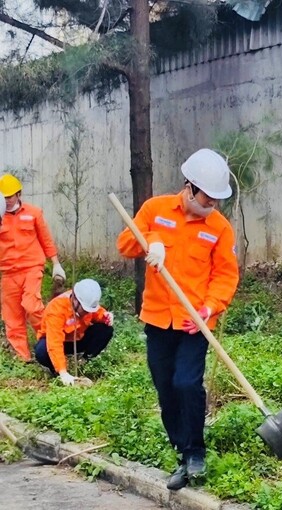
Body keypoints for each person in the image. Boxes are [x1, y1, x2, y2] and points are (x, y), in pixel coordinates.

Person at [116, 148, 239, 490]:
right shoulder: (155, 209)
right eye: (207, 198)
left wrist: (210, 307)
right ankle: (181, 451)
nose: (212, 205)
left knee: (187, 384)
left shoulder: (219, 228)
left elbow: (226, 276)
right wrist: (150, 241)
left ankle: (195, 451)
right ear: (189, 187)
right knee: (165, 387)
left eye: (217, 200)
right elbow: (125, 243)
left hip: (194, 322)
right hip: (157, 319)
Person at [0, 173, 65, 362]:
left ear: (19, 194)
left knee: (31, 305)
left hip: (32, 268)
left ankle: (47, 341)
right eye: (3, 198)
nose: (7, 201)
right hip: (8, 272)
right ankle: (24, 358)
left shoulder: (34, 213)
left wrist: (56, 264)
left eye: (10, 197)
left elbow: (45, 239)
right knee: (12, 318)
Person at [34, 279, 113, 384]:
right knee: (41, 351)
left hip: (79, 339)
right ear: (75, 300)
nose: (87, 313)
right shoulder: (56, 309)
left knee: (105, 329)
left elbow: (98, 313)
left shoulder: (87, 302)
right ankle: (57, 371)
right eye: (85, 310)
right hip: (60, 342)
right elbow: (54, 342)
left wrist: (105, 317)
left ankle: (85, 361)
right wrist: (63, 372)